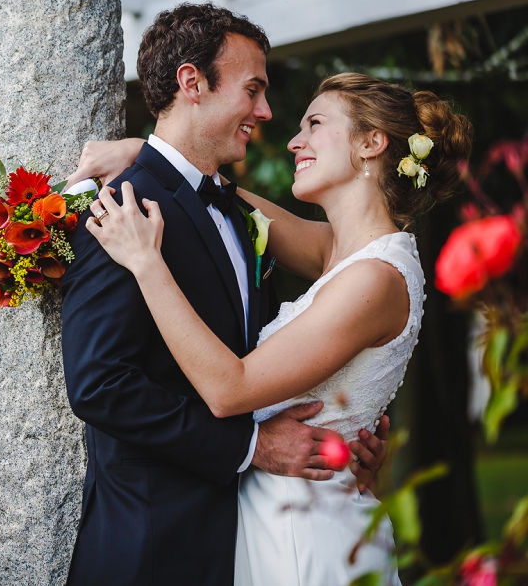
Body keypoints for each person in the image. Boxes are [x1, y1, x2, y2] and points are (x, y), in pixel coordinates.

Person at [72, 70, 472, 583]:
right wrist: (147, 153)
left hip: (306, 538)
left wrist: (146, 262)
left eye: (315, 123)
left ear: (372, 143)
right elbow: (216, 198)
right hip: (272, 515)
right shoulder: (338, 250)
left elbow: (227, 389)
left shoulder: (375, 279)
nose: (293, 140)